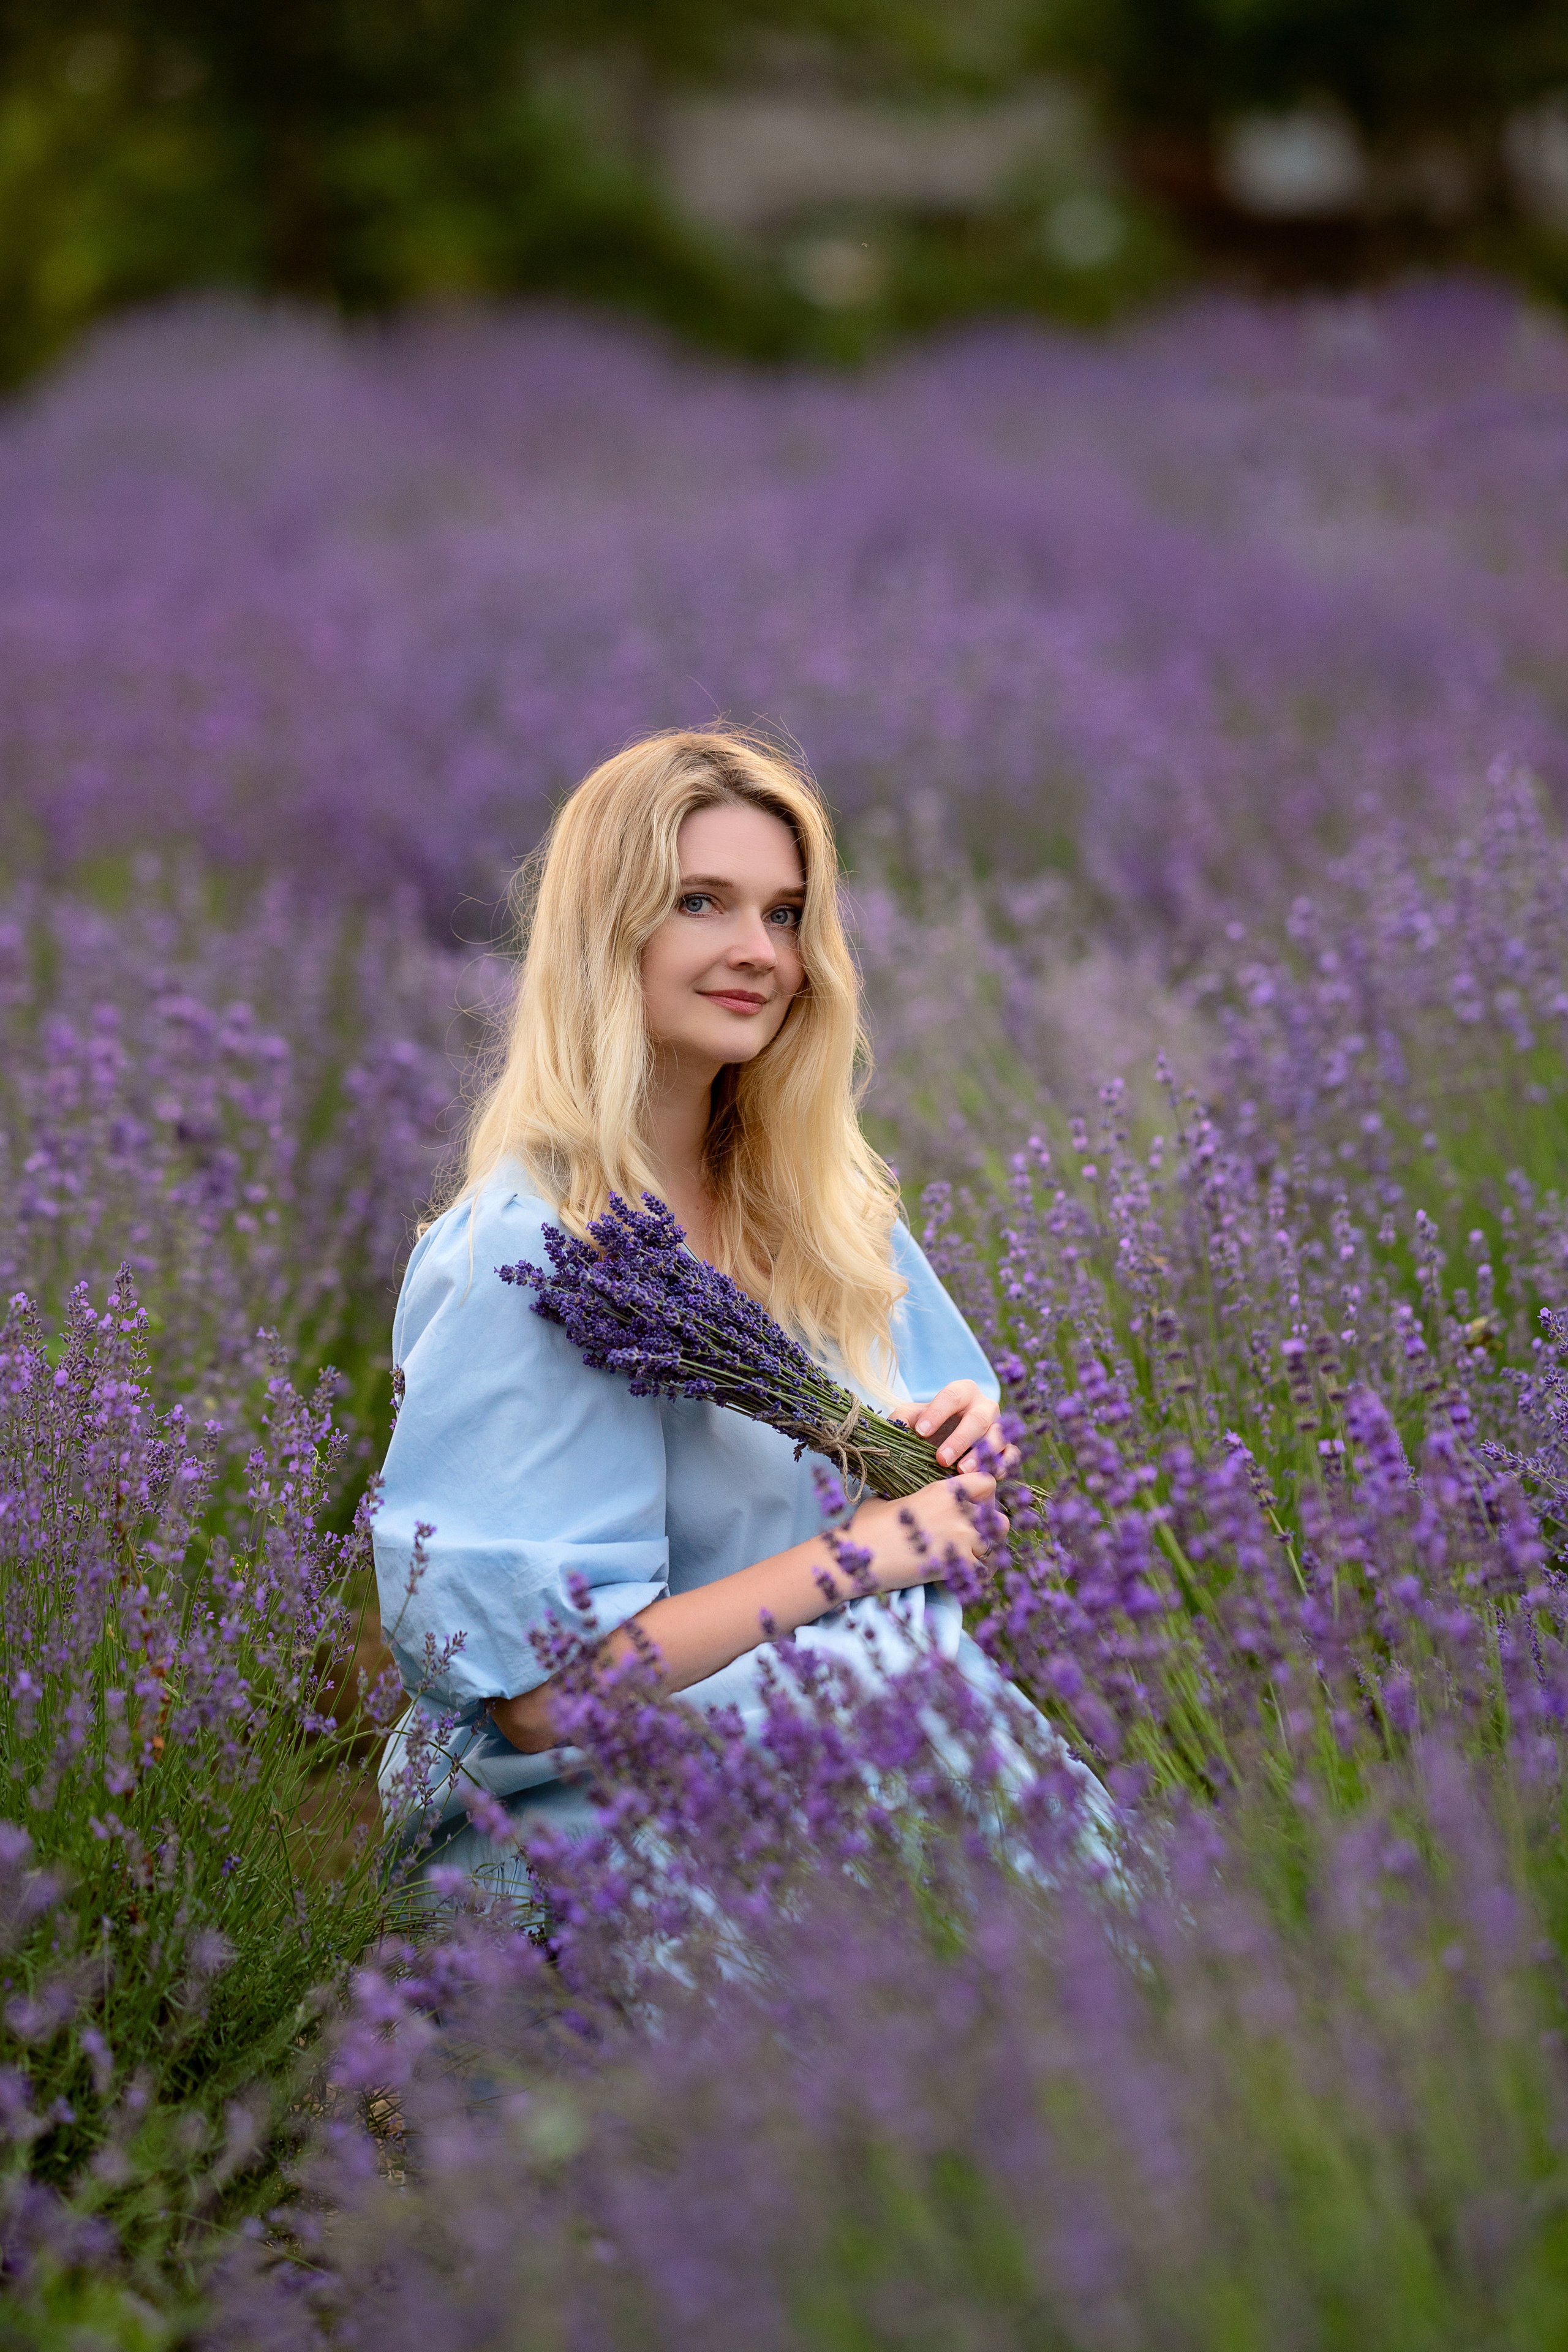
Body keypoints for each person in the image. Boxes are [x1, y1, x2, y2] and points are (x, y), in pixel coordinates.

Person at [374, 728, 1092, 1898]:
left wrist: (945, 1442)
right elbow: (546, 1696)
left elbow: (945, 1482)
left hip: (854, 1729)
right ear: (611, 931)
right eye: (702, 902)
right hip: (613, 1811)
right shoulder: (527, 1252)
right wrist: (868, 1552)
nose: (757, 951)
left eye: (787, 913)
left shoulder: (818, 1202)